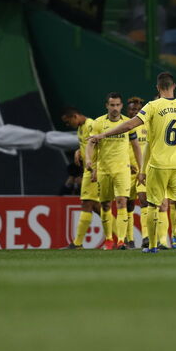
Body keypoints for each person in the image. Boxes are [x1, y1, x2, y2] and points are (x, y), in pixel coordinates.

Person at [89, 72, 176, 253]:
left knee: (153, 205)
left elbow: (129, 125)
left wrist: (104, 134)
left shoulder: (152, 106)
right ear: (174, 86)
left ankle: (153, 246)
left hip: (158, 164)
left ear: (157, 87)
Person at [85, 93, 142, 250]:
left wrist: (141, 168)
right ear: (107, 106)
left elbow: (136, 146)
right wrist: (89, 161)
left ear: (121, 106)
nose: (115, 108)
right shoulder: (98, 123)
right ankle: (109, 239)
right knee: (105, 205)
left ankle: (121, 241)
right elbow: (91, 144)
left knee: (122, 202)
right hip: (104, 170)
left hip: (122, 170)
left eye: (117, 105)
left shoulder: (127, 123)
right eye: (112, 105)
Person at [61, 106, 101, 249]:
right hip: (87, 170)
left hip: (94, 171)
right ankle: (124, 239)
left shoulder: (91, 125)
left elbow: (100, 146)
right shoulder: (80, 128)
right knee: (98, 208)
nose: (68, 125)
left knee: (87, 204)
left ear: (75, 116)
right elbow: (87, 145)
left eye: (68, 122)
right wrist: (78, 151)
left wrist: (96, 168)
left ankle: (77, 243)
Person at [126, 96, 150, 248]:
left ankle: (146, 237)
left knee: (143, 200)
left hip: (142, 170)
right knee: (127, 205)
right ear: (127, 110)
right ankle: (129, 239)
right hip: (126, 171)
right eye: (132, 109)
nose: (134, 112)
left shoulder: (147, 125)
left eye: (137, 109)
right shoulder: (123, 125)